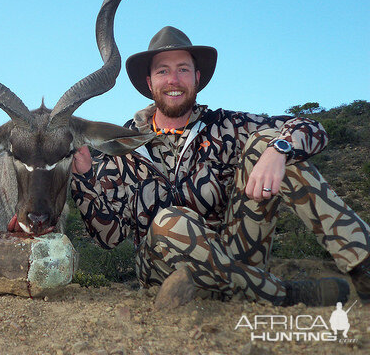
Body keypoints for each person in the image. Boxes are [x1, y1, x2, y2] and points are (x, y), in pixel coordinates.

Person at [70, 26, 370, 307]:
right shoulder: (123, 146)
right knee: (169, 221)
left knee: (274, 143)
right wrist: (84, 177)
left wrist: (277, 151)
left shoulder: (227, 125)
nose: (173, 79)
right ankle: (284, 293)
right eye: (163, 71)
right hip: (162, 271)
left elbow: (311, 127)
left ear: (196, 78)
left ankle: (363, 265)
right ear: (150, 83)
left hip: (238, 255)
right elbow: (108, 238)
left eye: (182, 70)